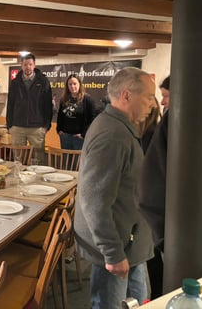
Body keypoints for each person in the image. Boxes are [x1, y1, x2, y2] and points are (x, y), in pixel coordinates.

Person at [74, 67, 157, 308]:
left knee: (140, 301)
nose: (152, 104)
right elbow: (94, 200)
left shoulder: (119, 128)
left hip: (128, 244)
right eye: (148, 97)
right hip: (117, 249)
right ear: (127, 95)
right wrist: (112, 252)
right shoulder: (112, 135)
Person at [137, 75, 171, 299]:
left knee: (153, 257)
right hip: (159, 209)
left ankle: (158, 295)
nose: (162, 101)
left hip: (157, 210)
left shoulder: (152, 132)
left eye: (166, 96)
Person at [6, 53, 53, 164]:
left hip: (37, 127)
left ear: (34, 65)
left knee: (38, 160)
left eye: (30, 64)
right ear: (21, 66)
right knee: (18, 159)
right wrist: (9, 125)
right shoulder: (15, 83)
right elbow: (10, 104)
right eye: (25, 65)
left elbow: (48, 104)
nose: (28, 67)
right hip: (17, 126)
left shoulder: (43, 81)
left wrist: (46, 125)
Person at [56, 74, 96, 150]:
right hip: (65, 137)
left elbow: (92, 119)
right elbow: (60, 116)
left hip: (79, 138)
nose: (72, 86)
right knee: (66, 158)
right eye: (70, 84)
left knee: (79, 158)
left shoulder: (88, 100)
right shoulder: (63, 99)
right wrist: (59, 130)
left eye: (75, 83)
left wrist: (83, 134)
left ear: (79, 84)